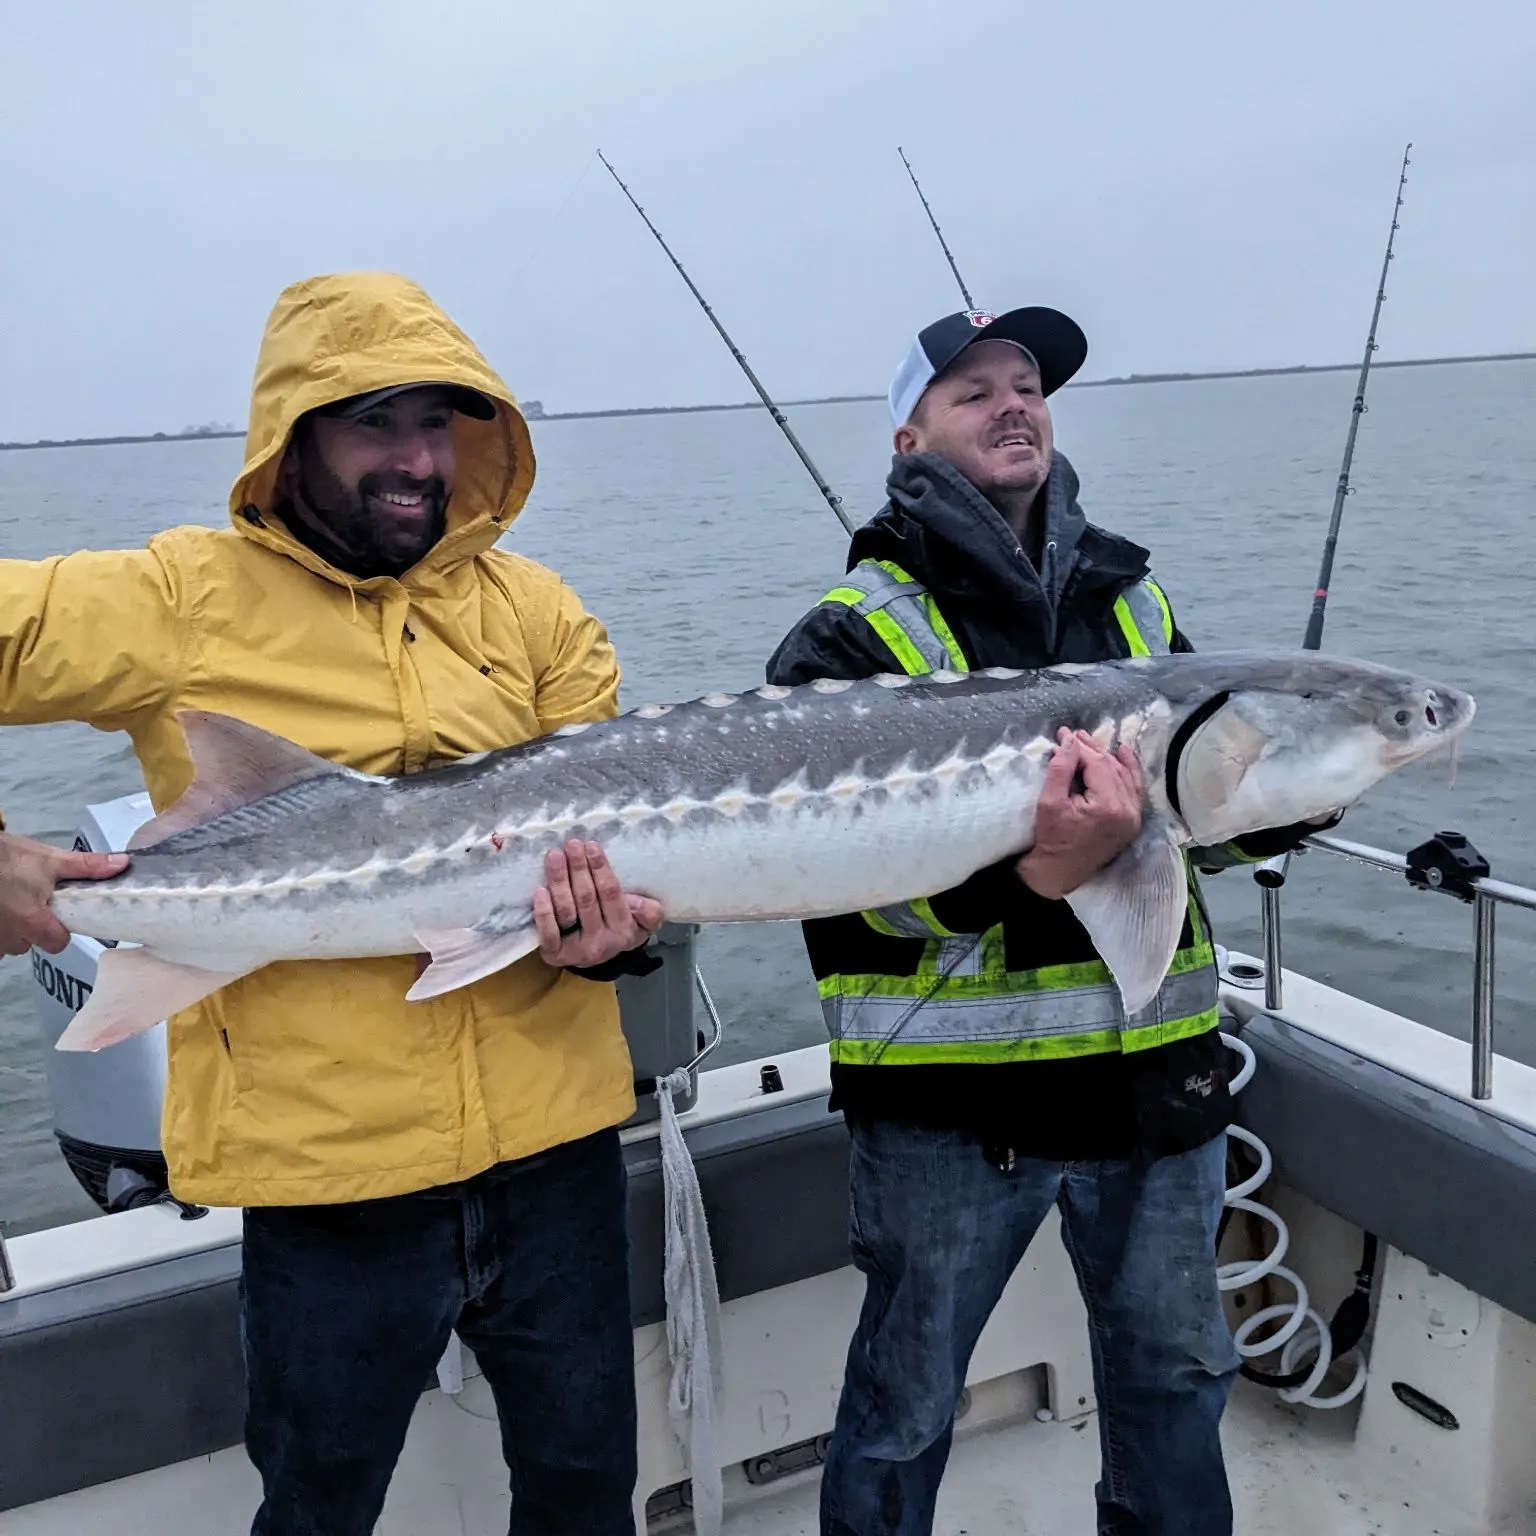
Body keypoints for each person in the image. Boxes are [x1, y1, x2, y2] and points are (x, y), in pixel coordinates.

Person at [0, 271, 660, 1536]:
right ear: (290, 437)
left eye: (441, 426)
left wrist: (611, 935)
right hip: (331, 1176)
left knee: (585, 1495)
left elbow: (611, 834)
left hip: (555, 1152)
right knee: (317, 1506)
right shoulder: (180, 598)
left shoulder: (538, 612)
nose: (418, 461)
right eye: (375, 424)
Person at [767, 305, 1336, 1536]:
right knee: (905, 1404)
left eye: (1026, 383)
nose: (1013, 402)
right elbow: (834, 889)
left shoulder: (1137, 603)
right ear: (911, 437)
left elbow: (1190, 819)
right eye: (972, 391)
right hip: (955, 1114)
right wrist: (1034, 874)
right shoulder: (851, 632)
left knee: (1181, 1380)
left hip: (1156, 1087)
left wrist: (1288, 803)